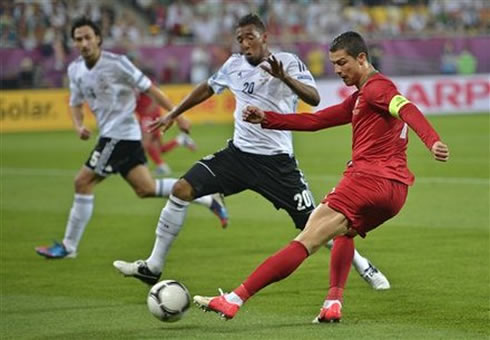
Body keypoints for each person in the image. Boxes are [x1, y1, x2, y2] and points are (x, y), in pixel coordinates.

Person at [113, 15, 390, 290]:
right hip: (238, 156)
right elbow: (207, 88)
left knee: (316, 224)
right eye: (240, 39)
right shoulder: (233, 65)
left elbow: (313, 99)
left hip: (277, 163)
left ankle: (364, 265)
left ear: (264, 38)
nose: (245, 44)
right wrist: (174, 113)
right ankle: (153, 266)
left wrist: (284, 78)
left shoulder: (288, 62)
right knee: (182, 189)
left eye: (250, 38)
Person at [193, 31, 449, 323]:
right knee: (345, 231)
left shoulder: (378, 89)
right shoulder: (361, 97)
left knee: (307, 239)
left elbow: (406, 108)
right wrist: (269, 118)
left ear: (362, 58)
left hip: (367, 181)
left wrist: (432, 141)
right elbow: (316, 121)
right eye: (334, 64)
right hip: (396, 193)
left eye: (343, 63)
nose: (338, 70)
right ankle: (333, 303)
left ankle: (233, 299)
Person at [35, 17, 228, 259]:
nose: (83, 43)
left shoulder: (117, 64)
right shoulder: (75, 70)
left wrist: (176, 116)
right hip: (118, 136)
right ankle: (206, 196)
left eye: (88, 37)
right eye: (78, 39)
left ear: (98, 39)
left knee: (82, 182)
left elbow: (150, 88)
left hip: (119, 135)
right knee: (145, 188)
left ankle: (68, 247)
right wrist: (79, 125)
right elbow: (74, 103)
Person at [135, 78, 197, 176]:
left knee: (145, 143)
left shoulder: (142, 79)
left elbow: (156, 93)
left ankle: (143, 167)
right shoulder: (131, 79)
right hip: (146, 116)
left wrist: (151, 108)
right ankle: (180, 140)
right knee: (159, 148)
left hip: (149, 117)